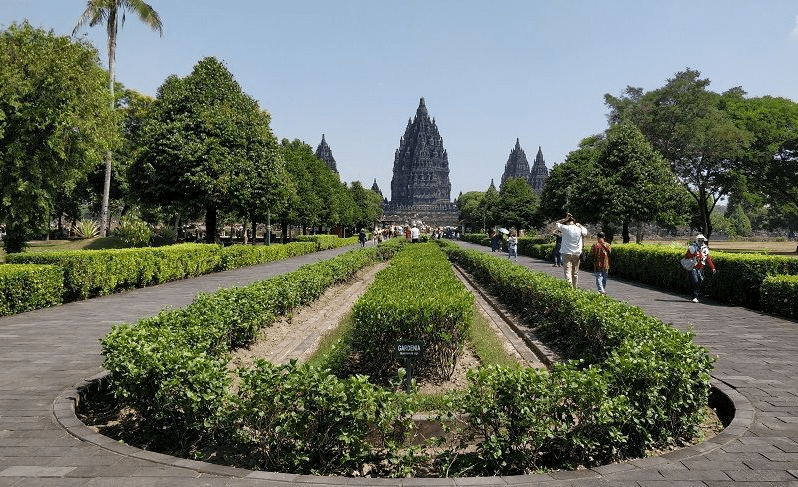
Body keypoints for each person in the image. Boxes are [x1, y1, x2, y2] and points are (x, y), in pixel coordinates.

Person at [556, 213, 587, 288]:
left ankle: (569, 288)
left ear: (567, 222)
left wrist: (565, 219)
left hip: (566, 252)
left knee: (567, 272)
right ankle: (575, 287)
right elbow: (585, 233)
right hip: (577, 253)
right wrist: (580, 225)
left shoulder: (564, 228)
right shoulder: (579, 228)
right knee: (575, 272)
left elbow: (556, 223)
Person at [684, 233, 716, 302]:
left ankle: (695, 295)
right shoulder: (692, 247)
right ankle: (694, 297)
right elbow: (687, 256)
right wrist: (695, 254)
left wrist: (712, 268)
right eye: (699, 240)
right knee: (695, 281)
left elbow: (708, 259)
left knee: (699, 281)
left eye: (702, 240)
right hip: (692, 267)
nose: (701, 241)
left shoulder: (704, 249)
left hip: (700, 268)